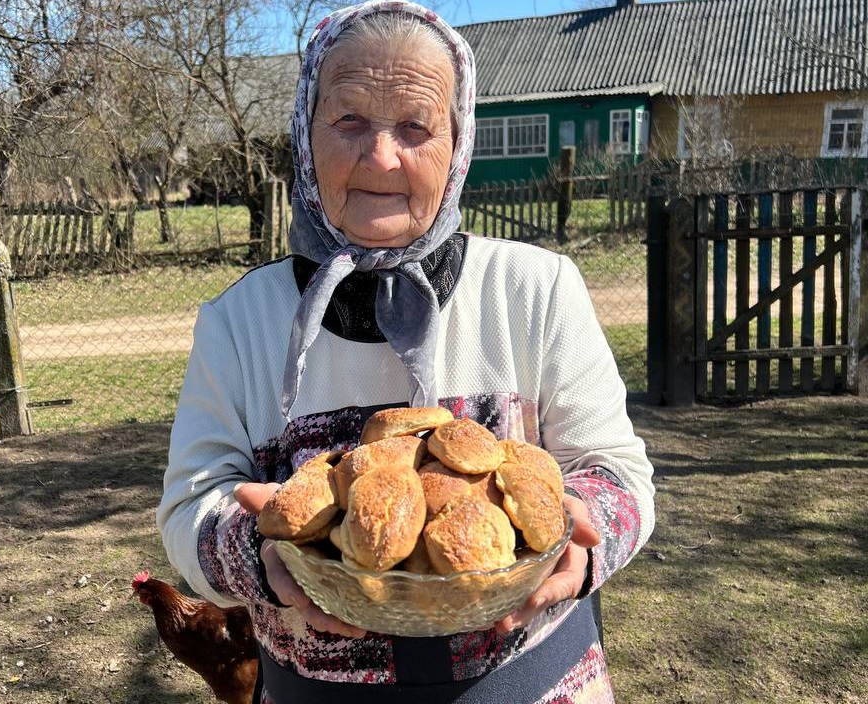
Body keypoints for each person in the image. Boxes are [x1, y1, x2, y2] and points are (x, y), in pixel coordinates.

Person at [158, 1, 655, 702]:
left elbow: (620, 475)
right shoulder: (241, 321)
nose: (383, 156)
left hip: (536, 685)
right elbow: (188, 507)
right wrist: (255, 556)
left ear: (458, 143)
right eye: (350, 121)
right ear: (306, 133)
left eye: (416, 126)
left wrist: (584, 533)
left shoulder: (535, 290)